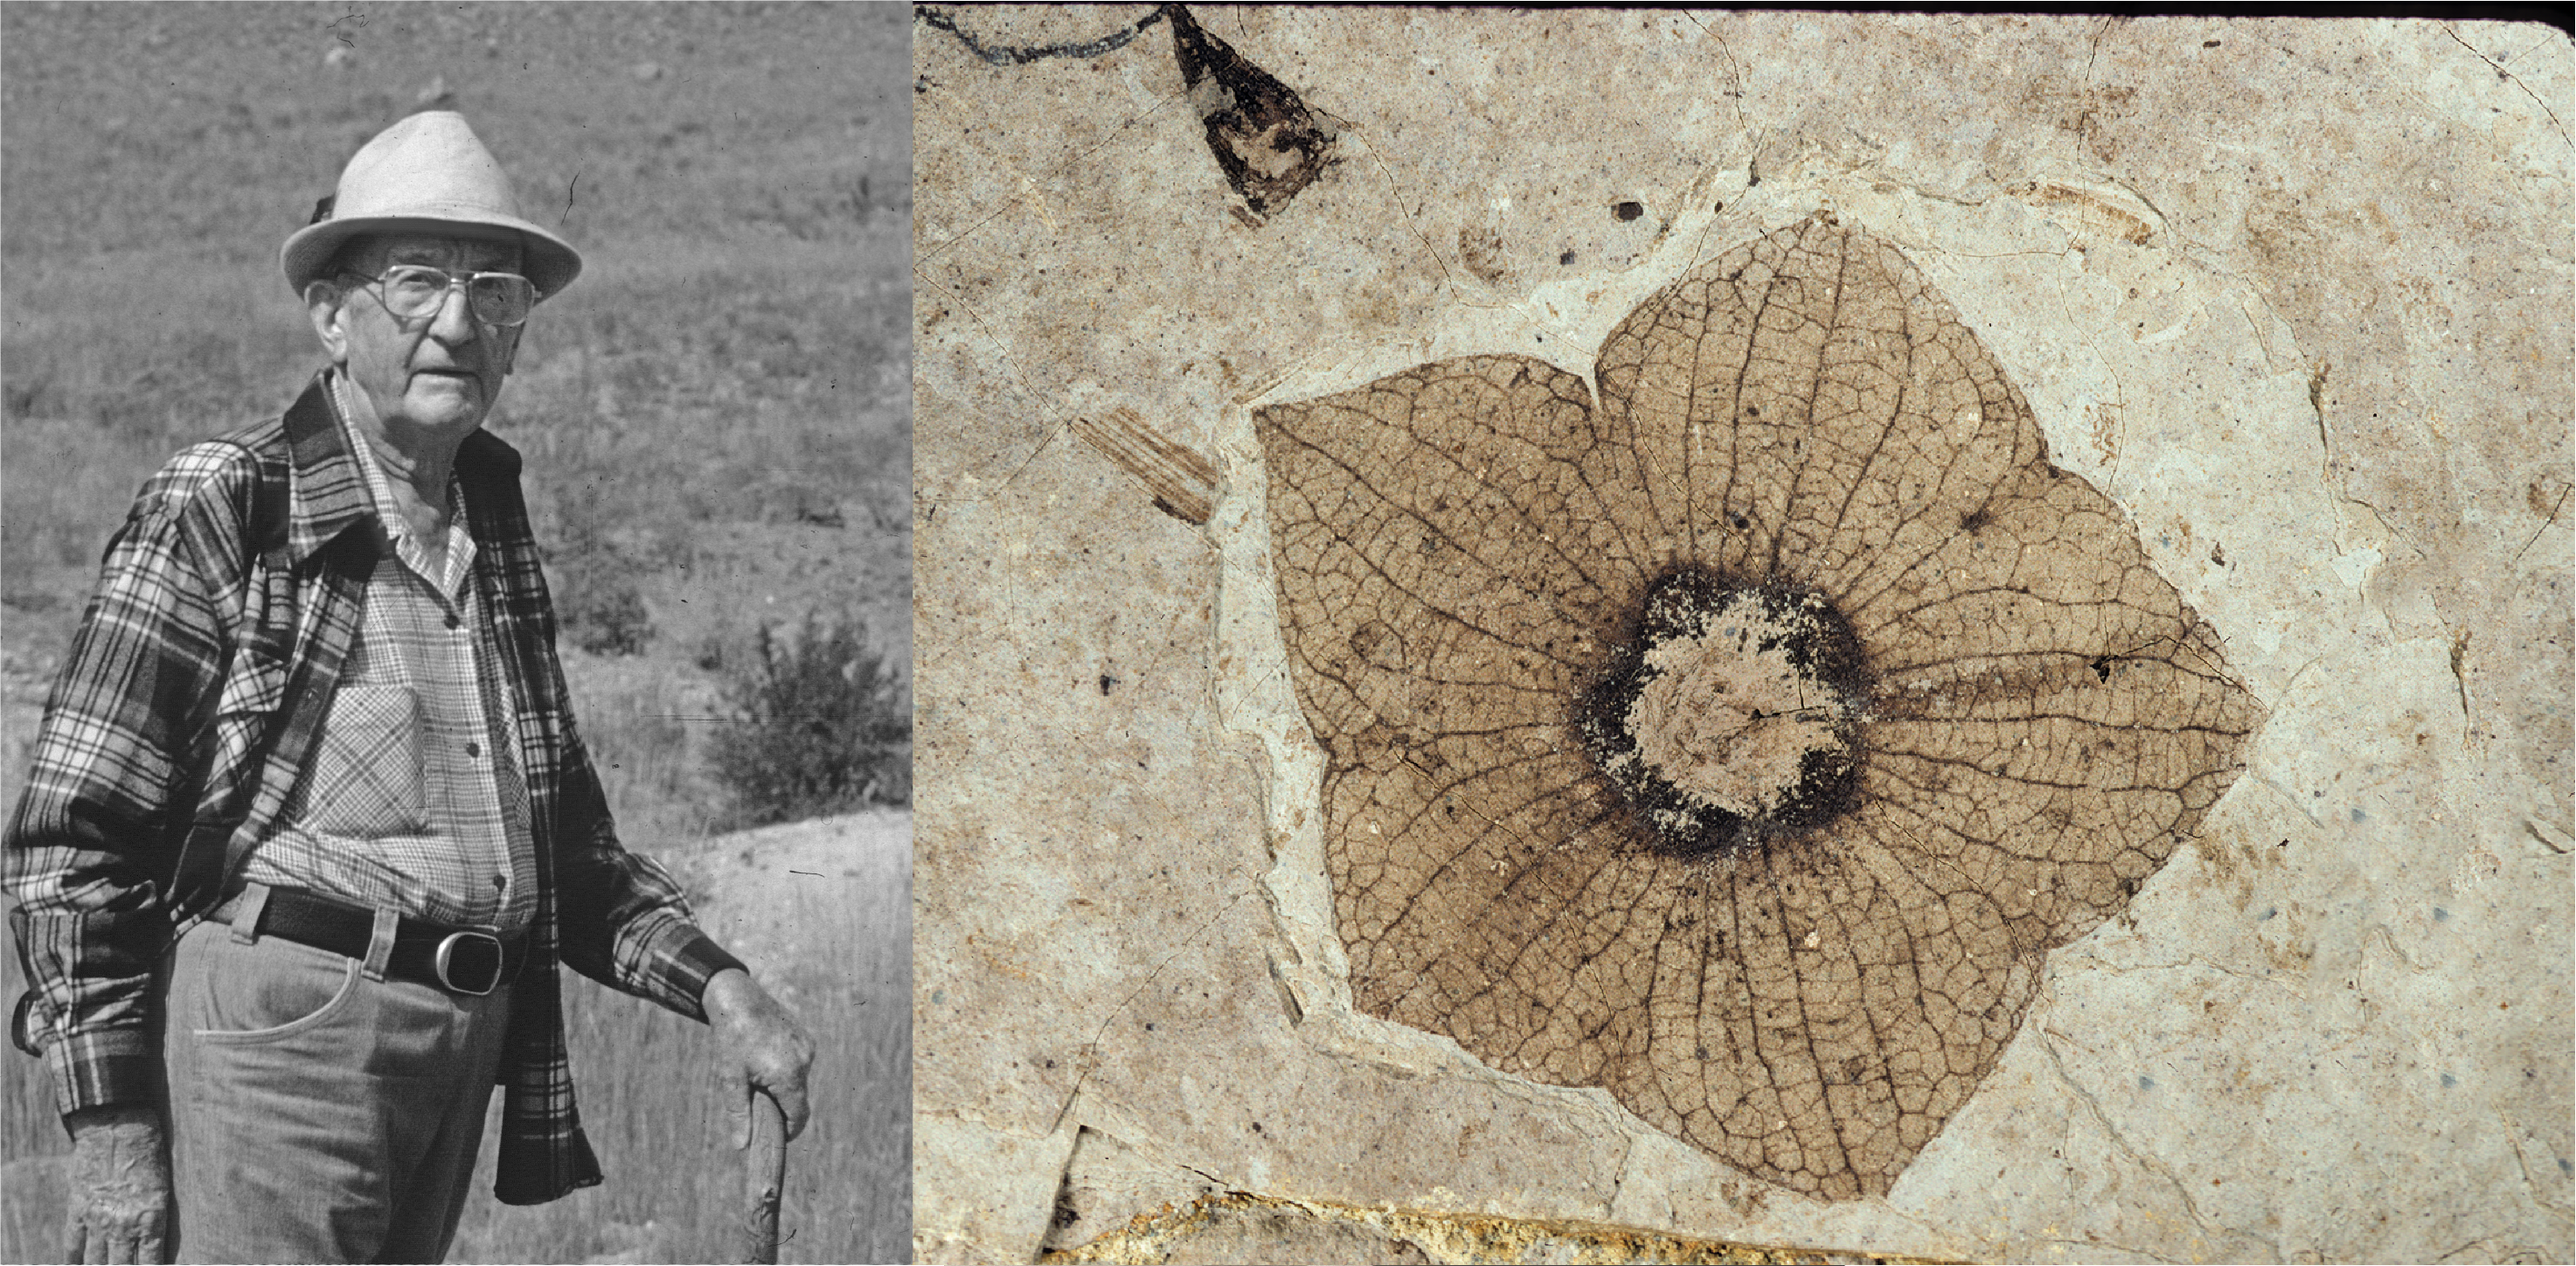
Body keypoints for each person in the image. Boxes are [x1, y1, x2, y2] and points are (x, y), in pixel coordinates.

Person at [3, 110, 814, 1264]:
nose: (458, 324)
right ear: (331, 315)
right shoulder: (230, 498)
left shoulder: (490, 517)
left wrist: (725, 990)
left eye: (496, 292)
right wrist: (114, 1129)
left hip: (460, 1045)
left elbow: (566, 849)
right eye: (418, 284)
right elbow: (73, 838)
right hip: (283, 1037)